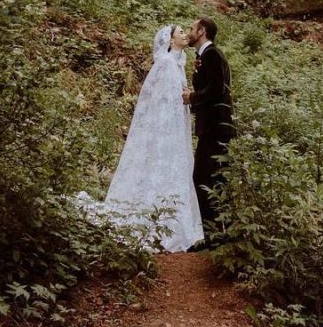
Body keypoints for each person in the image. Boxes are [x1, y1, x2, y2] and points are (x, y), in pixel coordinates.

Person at [98, 24, 204, 252]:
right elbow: (159, 101)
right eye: (181, 33)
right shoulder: (165, 64)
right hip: (166, 127)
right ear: (170, 41)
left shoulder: (178, 63)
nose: (186, 35)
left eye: (186, 32)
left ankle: (177, 220)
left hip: (177, 125)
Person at [183, 17, 234, 230]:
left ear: (202, 31)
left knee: (205, 178)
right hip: (212, 129)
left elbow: (217, 89)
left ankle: (211, 234)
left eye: (192, 28)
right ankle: (217, 232)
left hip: (216, 129)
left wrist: (192, 97)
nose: (188, 32)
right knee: (214, 179)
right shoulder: (205, 55)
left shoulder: (212, 54)